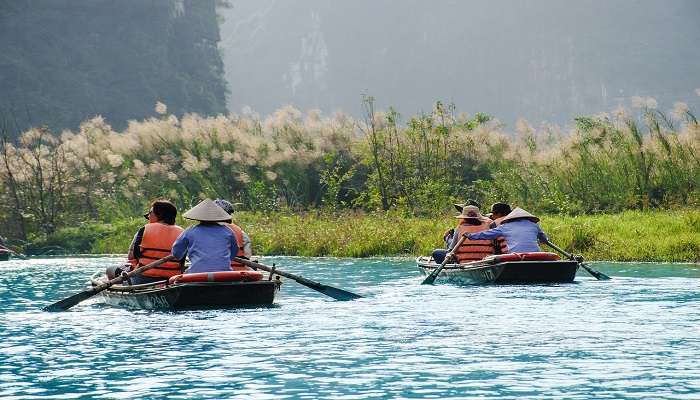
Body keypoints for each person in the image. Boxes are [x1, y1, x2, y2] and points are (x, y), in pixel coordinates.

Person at [121, 200, 184, 284]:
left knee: (110, 270)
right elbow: (182, 260)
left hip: (143, 277)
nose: (148, 216)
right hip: (172, 278)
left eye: (150, 213)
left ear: (159, 215)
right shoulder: (182, 233)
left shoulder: (144, 230)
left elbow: (132, 256)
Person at [171, 199, 238, 273]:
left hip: (197, 273)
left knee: (186, 272)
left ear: (199, 216)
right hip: (224, 273)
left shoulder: (190, 231)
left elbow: (176, 253)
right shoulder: (228, 231)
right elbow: (234, 251)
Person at [465, 207, 549, 253]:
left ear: (511, 218)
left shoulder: (505, 227)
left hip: (515, 254)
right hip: (535, 253)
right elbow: (544, 239)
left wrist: (471, 236)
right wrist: (545, 240)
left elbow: (486, 234)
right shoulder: (534, 225)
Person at [213, 198, 253, 271]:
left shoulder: (207, 230)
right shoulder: (240, 231)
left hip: (215, 271)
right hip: (239, 270)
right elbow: (247, 254)